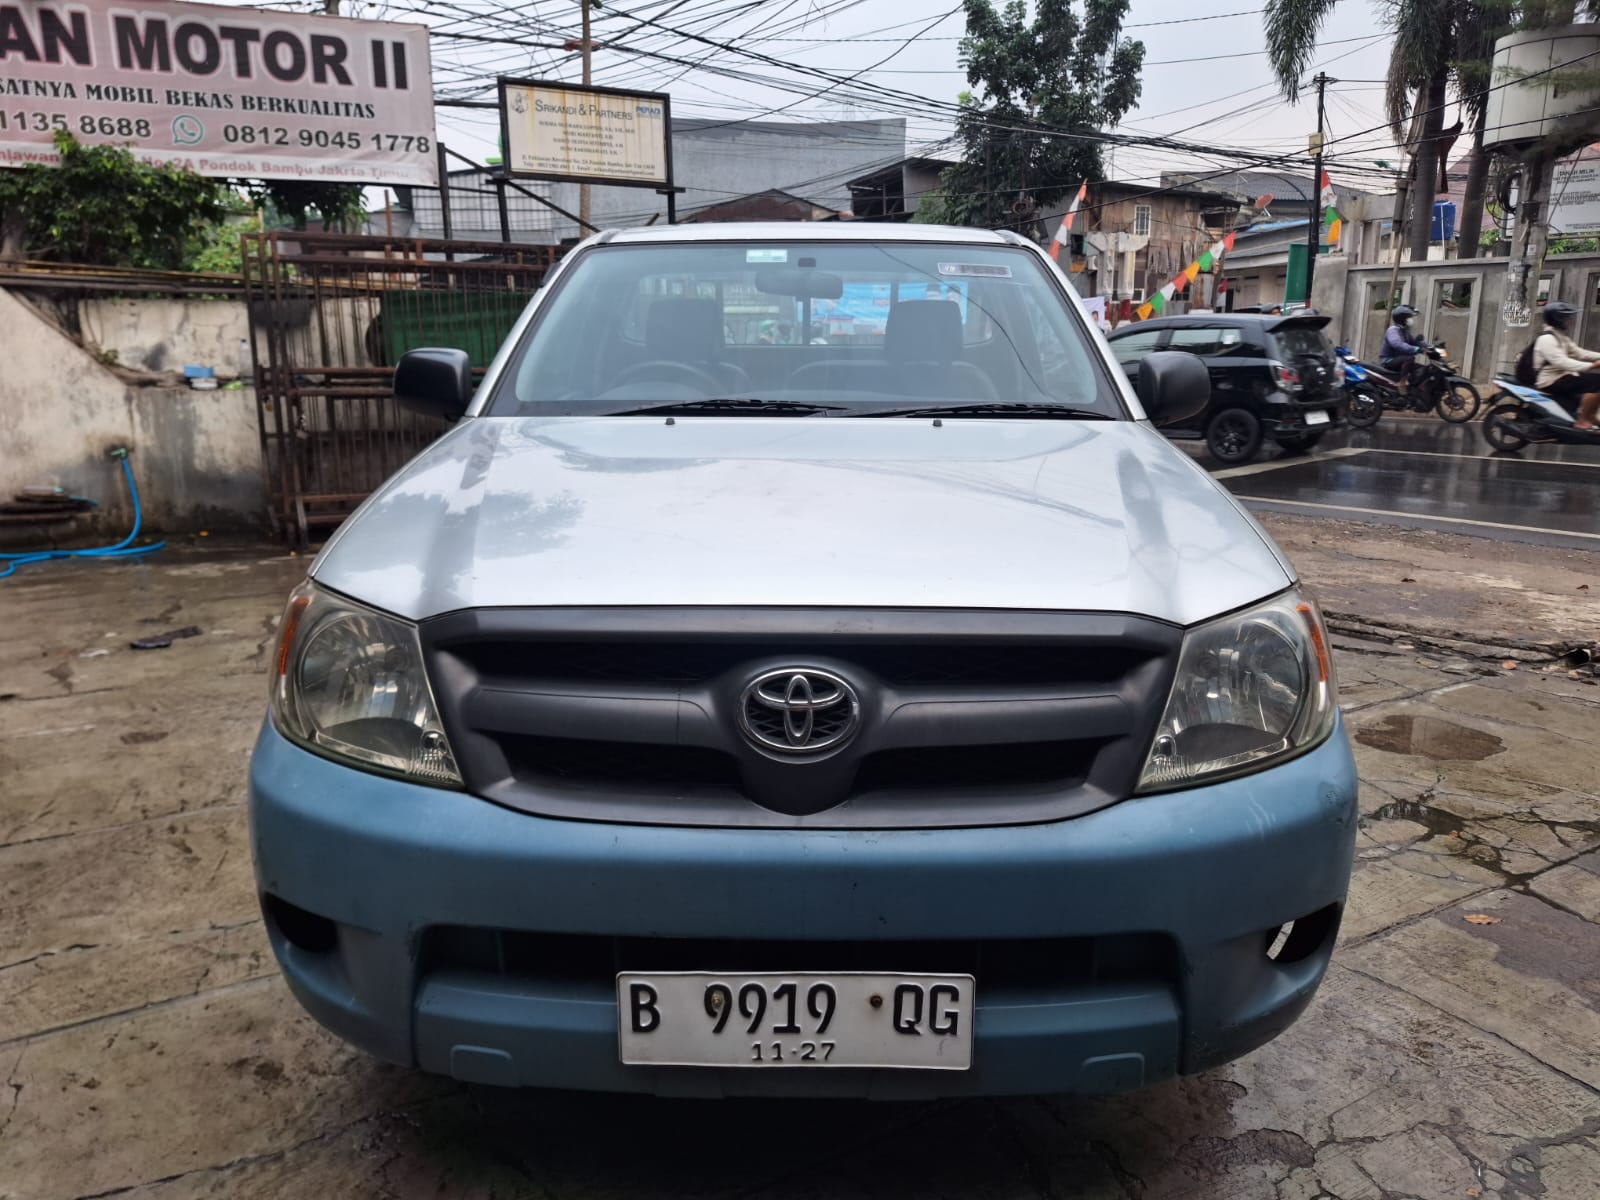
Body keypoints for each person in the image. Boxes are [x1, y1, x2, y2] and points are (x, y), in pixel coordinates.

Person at [1532, 300, 1600, 430]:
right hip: (1551, 380)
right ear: (1557, 319)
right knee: (1596, 383)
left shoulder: (1561, 337)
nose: (1570, 321)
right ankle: (1582, 419)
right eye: (1567, 318)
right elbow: (1561, 362)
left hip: (1562, 376)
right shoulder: (1547, 339)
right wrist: (1590, 366)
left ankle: (1589, 415)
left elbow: (1580, 353)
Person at [1379, 304, 1426, 389]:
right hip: (1389, 361)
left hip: (1400, 360)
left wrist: (1431, 348)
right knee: (1409, 358)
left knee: (1423, 370)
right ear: (1402, 318)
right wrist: (1416, 349)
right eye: (1409, 317)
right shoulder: (1393, 331)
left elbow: (1415, 342)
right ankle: (1402, 382)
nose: (1411, 320)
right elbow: (1397, 344)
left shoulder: (1405, 331)